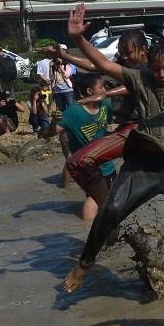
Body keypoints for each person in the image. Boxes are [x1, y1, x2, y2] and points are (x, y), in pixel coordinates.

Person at [61, 3, 164, 293]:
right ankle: (84, 263)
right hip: (141, 164)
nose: (162, 75)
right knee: (111, 210)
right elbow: (103, 66)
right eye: (156, 69)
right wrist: (78, 40)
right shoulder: (141, 80)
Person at [43, 72, 116, 220]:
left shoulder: (106, 104)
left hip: (106, 164)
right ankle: (87, 229)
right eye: (101, 87)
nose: (104, 91)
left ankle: (90, 228)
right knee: (96, 200)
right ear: (89, 91)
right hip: (87, 165)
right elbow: (50, 134)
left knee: (101, 198)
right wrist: (53, 122)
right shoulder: (73, 112)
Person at [49, 47, 76, 112]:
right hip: (57, 91)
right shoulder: (53, 67)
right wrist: (50, 67)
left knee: (71, 107)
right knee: (60, 109)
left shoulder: (67, 66)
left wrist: (60, 67)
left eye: (59, 59)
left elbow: (67, 75)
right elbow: (51, 78)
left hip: (67, 90)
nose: (58, 60)